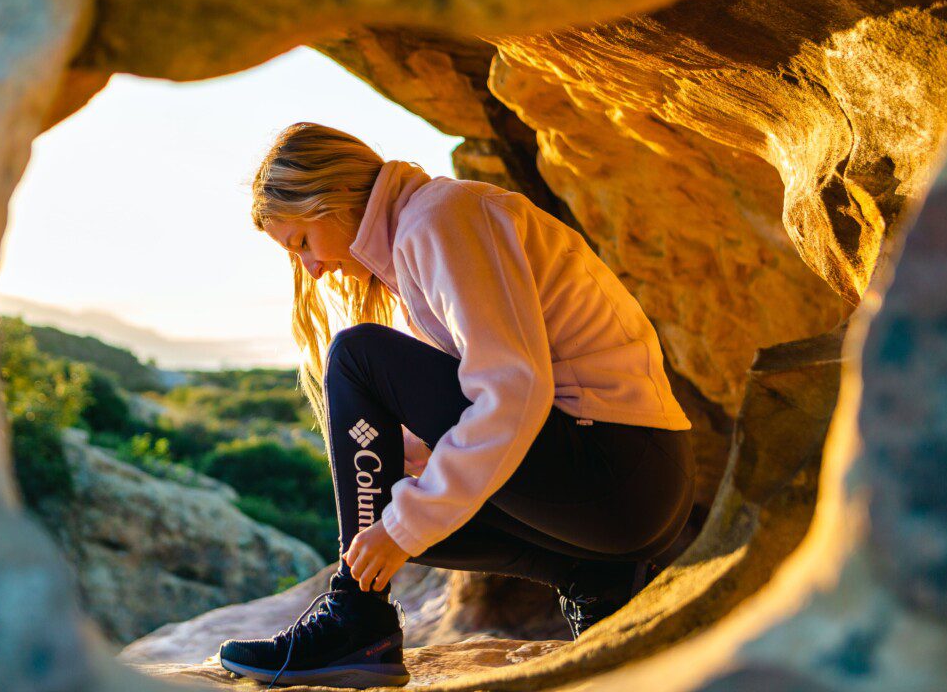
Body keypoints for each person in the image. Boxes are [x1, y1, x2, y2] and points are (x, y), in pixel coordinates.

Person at [219, 122, 695, 688]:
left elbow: (512, 390)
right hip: (624, 498)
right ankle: (601, 585)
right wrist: (404, 495)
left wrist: (403, 526)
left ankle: (356, 618)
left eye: (301, 243)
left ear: (333, 196)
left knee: (357, 356)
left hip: (620, 469)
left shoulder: (439, 216)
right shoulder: (422, 233)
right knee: (391, 499)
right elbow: (490, 395)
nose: (312, 269)